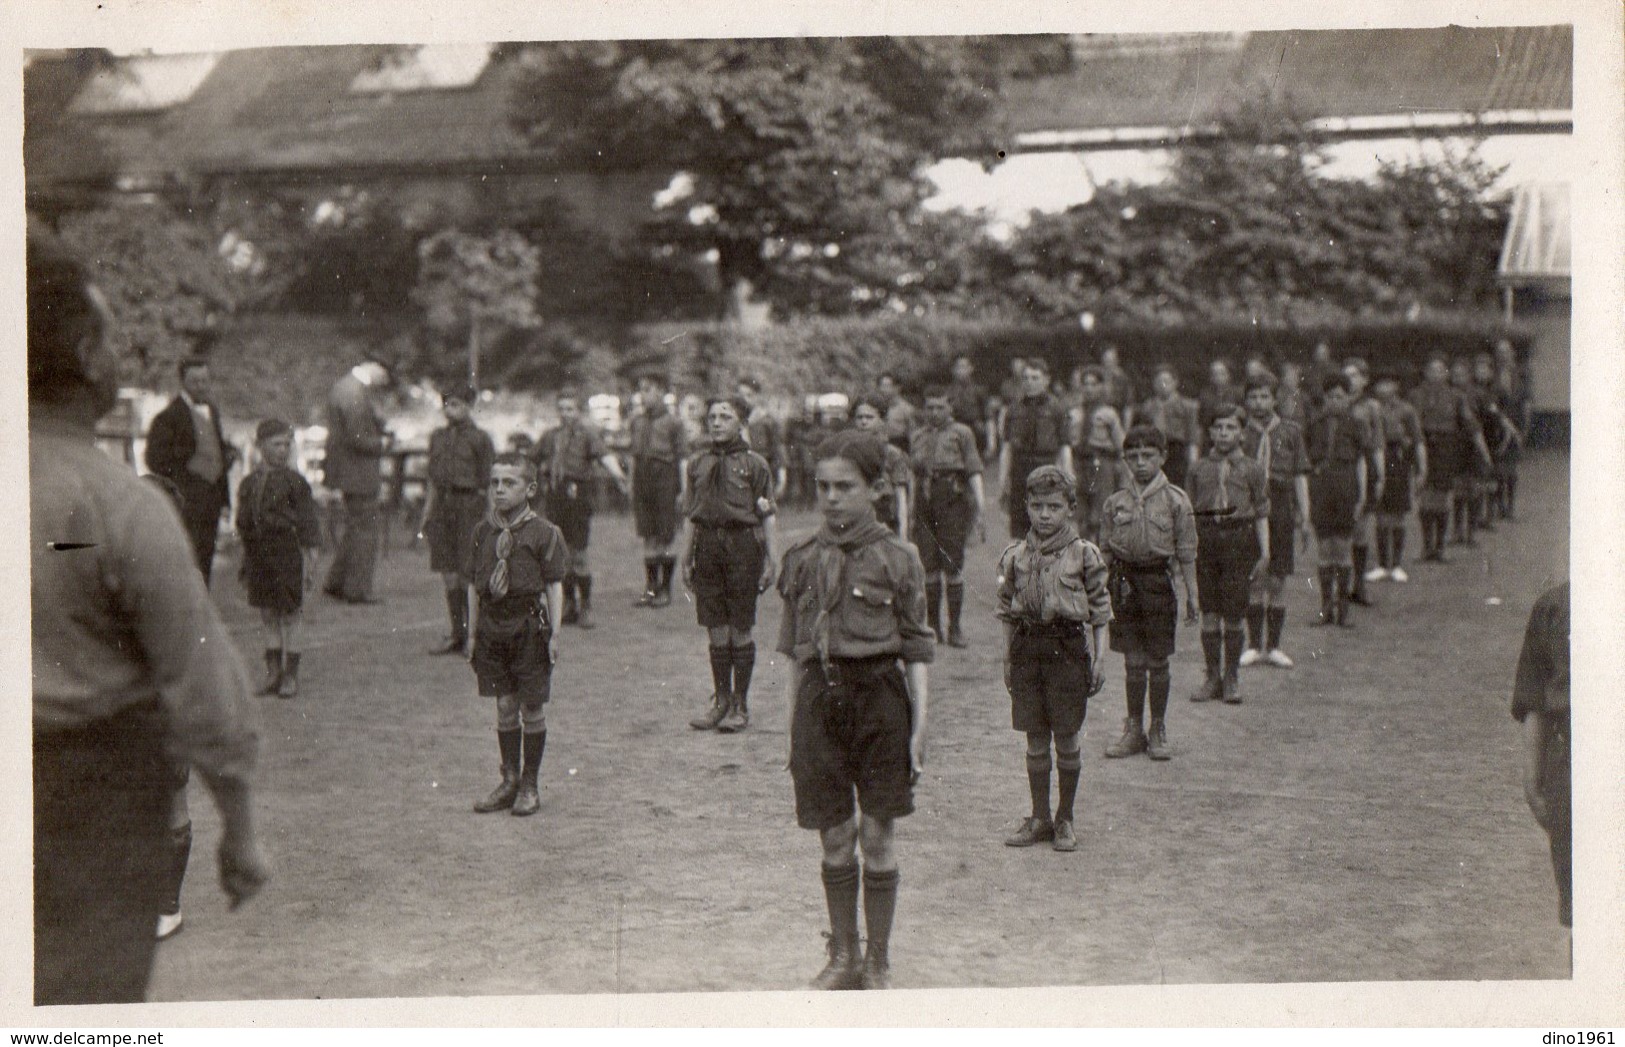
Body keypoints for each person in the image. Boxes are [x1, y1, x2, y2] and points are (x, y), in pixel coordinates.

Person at [29, 226, 268, 1005]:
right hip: (84, 805)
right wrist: (238, 825)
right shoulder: (117, 503)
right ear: (84, 354)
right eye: (108, 337)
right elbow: (203, 682)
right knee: (80, 1009)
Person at [777, 430, 933, 990]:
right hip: (820, 700)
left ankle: (879, 960)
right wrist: (791, 728)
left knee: (878, 833)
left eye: (846, 486)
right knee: (834, 834)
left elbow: (916, 650)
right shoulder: (800, 558)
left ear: (877, 489)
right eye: (823, 486)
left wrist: (919, 728)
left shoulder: (899, 558)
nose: (831, 498)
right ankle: (843, 954)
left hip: (880, 701)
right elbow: (794, 653)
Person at [996, 464, 1110, 849]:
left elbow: (1100, 611)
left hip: (1067, 650)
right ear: (1026, 506)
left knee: (1066, 736)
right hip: (1028, 650)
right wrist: (1008, 657)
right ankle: (1040, 816)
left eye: (1054, 507)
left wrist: (1100, 658)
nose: (1045, 515)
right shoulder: (1015, 555)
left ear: (1070, 509)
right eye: (1037, 506)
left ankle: (1065, 818)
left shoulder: (1084, 554)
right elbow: (1006, 609)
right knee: (1034, 736)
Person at [468, 454, 570, 817]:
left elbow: (555, 585)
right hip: (493, 627)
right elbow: (473, 586)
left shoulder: (544, 533)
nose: (499, 490)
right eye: (494, 482)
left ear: (529, 489)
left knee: (531, 705)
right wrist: (472, 633)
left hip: (528, 626)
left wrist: (555, 633)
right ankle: (509, 779)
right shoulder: (483, 532)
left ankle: (529, 783)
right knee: (505, 705)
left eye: (508, 483)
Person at [1099, 427, 1199, 760]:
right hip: (1124, 584)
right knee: (1132, 660)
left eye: (1148, 456)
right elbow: (1105, 551)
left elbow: (1186, 551)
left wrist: (1193, 596)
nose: (1141, 463)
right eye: (1134, 457)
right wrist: (1096, 590)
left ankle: (1157, 728)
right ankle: (1133, 730)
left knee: (1157, 659)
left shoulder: (1176, 500)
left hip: (1158, 583)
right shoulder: (1116, 502)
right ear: (1125, 460)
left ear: (1162, 457)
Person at [682, 397, 780, 733]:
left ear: (741, 423)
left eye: (726, 416)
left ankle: (740, 702)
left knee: (740, 626)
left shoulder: (755, 465)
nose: (717, 422)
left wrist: (772, 558)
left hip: (742, 547)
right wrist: (685, 557)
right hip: (708, 546)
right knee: (715, 627)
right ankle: (720, 699)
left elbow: (767, 515)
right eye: (712, 417)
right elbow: (692, 515)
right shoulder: (697, 463)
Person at [1186, 405, 1270, 704]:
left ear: (1241, 433)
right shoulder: (1198, 468)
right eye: (1219, 428)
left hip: (1238, 540)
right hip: (1207, 540)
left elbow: (1260, 511)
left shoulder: (1252, 468)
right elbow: (1190, 512)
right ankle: (1212, 676)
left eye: (1230, 428)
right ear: (1209, 432)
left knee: (1234, 611)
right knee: (1209, 612)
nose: (1224, 433)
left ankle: (1232, 676)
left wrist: (1265, 551)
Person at [236, 419, 323, 698]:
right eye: (276, 444)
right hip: (259, 554)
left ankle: (290, 675)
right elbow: (243, 523)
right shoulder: (249, 483)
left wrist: (310, 561)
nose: (282, 450)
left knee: (290, 614)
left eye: (287, 444)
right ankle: (272, 673)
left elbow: (309, 526)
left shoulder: (296, 483)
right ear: (261, 446)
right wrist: (245, 559)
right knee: (268, 615)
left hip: (286, 552)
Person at [531, 389, 630, 629]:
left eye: (570, 409)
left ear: (579, 411)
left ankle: (586, 606)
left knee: (579, 553)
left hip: (577, 496)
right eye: (562, 409)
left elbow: (604, 456)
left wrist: (619, 477)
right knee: (560, 552)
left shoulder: (587, 435)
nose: (566, 414)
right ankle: (569, 605)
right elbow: (533, 459)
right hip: (555, 495)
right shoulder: (550, 436)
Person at [1239, 372, 1312, 668]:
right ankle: (1255, 645)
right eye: (1253, 397)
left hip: (1279, 503)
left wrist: (1305, 515)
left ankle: (1274, 646)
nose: (1259, 403)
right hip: (1248, 505)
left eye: (1264, 396)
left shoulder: (1291, 431)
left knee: (1278, 576)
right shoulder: (1240, 432)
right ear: (1246, 401)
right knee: (1254, 575)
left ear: (1274, 399)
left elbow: (1299, 476)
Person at [143, 355, 237, 583]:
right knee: (187, 558)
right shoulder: (169, 416)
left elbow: (215, 451)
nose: (202, 386)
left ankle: (202, 609)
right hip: (187, 499)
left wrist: (224, 496)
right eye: (196, 381)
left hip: (211, 499)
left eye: (205, 380)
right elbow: (154, 459)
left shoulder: (212, 411)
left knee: (206, 557)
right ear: (183, 382)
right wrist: (185, 469)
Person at [1511, 581, 1571, 929]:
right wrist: (1532, 780)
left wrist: (1533, 781)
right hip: (1573, 768)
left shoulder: (1555, 604)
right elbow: (1535, 704)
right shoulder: (1555, 606)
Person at [909, 386, 987, 648]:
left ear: (950, 408)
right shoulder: (918, 435)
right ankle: (933, 627)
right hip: (924, 500)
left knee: (952, 564)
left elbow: (974, 470)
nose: (934, 412)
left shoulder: (961, 433)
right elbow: (912, 475)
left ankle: (955, 628)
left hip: (952, 498)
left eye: (939, 407)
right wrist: (910, 508)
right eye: (929, 407)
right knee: (928, 565)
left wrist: (980, 508)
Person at [421, 386, 495, 653]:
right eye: (447, 404)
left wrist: (492, 517)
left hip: (469, 506)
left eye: (457, 404)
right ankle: (457, 632)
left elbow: (488, 483)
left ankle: (474, 636)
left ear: (469, 407)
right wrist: (426, 513)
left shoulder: (480, 439)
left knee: (468, 572)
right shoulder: (437, 438)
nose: (451, 410)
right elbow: (431, 479)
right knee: (448, 572)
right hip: (443, 506)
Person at [321, 358, 394, 604]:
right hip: (358, 471)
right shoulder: (354, 393)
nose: (382, 383)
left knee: (356, 526)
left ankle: (337, 581)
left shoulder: (347, 387)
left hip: (348, 470)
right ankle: (357, 589)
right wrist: (382, 444)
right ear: (374, 367)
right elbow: (358, 437)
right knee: (366, 529)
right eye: (382, 376)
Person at [1409, 355, 1490, 563]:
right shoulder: (1416, 395)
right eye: (1432, 370)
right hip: (1425, 445)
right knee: (1426, 497)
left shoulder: (1456, 397)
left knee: (1443, 497)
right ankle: (1427, 547)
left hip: (1447, 448)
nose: (1436, 374)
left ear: (1446, 374)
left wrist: (1483, 451)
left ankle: (1440, 548)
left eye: (1440, 370)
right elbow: (1410, 424)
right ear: (1425, 373)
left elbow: (1471, 426)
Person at [1306, 374, 1370, 627]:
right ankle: (1325, 608)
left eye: (1340, 396)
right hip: (1321, 490)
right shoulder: (1314, 425)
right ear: (1324, 398)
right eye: (1330, 396)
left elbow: (1362, 462)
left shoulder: (1356, 425)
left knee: (1343, 549)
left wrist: (1362, 494)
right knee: (1324, 550)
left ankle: (1343, 610)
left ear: (1348, 398)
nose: (1335, 401)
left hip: (1346, 490)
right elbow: (1307, 462)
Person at [629, 374, 689, 608]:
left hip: (665, 479)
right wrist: (630, 484)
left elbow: (682, 459)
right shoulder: (636, 421)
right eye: (641, 390)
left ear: (661, 391)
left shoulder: (674, 423)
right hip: (643, 480)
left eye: (648, 390)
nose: (643, 395)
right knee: (648, 534)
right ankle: (651, 588)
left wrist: (683, 490)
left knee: (665, 534)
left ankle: (665, 589)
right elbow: (633, 456)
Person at [999, 358, 1073, 538]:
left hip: (1046, 469)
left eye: (1035, 378)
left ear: (1046, 380)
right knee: (1019, 526)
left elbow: (1064, 446)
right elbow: (1007, 447)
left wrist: (1068, 478)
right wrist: (1003, 480)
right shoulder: (1014, 409)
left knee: (1046, 525)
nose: (1030, 383)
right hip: (1020, 470)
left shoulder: (1057, 408)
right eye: (1026, 378)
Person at [1371, 373, 1426, 583]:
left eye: (1387, 383)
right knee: (1380, 514)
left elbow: (1418, 439)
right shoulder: (1373, 408)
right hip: (1378, 459)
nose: (1383, 387)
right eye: (1380, 383)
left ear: (1395, 385)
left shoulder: (1407, 410)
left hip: (1399, 460)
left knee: (1398, 514)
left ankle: (1396, 564)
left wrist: (1422, 468)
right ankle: (1382, 564)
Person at [1342, 359, 1386, 607]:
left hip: (1365, 466)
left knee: (1361, 530)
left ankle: (1359, 584)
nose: (1351, 380)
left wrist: (1380, 475)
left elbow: (1378, 442)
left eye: (1355, 375)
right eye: (1346, 375)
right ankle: (1339, 589)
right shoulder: (1336, 402)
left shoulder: (1371, 407)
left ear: (1365, 379)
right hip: (1342, 467)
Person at [1069, 365, 1127, 543]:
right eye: (1085, 384)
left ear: (1101, 387)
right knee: (1081, 515)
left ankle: (1103, 558)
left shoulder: (1109, 414)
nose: (1089, 389)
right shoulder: (1074, 413)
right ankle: (1085, 557)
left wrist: (1124, 476)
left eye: (1093, 384)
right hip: (1079, 464)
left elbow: (1122, 446)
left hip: (1101, 464)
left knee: (1100, 515)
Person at [850, 393, 912, 538]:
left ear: (882, 420)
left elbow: (901, 496)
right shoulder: (849, 452)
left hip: (884, 517)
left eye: (869, 417)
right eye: (859, 417)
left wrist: (903, 533)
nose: (864, 422)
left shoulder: (892, 454)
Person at [1133, 364, 1201, 489]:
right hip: (1154, 453)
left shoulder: (1187, 406)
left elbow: (1192, 436)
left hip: (1177, 453)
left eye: (1166, 381)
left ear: (1175, 382)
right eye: (1158, 381)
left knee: (1177, 488)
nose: (1162, 385)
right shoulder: (1148, 407)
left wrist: (1193, 461)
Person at [738, 376, 789, 500]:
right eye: (741, 395)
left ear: (757, 396)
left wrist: (782, 478)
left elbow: (778, 449)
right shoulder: (736, 420)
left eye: (748, 395)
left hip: (761, 474)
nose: (744, 399)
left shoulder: (767, 421)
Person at [944, 354, 991, 456]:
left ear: (971, 368)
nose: (961, 370)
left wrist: (991, 443)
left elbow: (988, 417)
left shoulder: (979, 390)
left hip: (975, 433)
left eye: (964, 367)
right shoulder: (948, 392)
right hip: (955, 432)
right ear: (953, 370)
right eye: (958, 367)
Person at [1196, 358, 1242, 433]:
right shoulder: (1205, 395)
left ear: (1229, 375)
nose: (1217, 377)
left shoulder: (1238, 393)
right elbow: (1201, 420)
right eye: (1214, 373)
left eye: (1221, 373)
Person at [875, 372, 915, 452]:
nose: (883, 390)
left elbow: (912, 434)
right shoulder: (876, 407)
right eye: (881, 386)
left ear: (897, 388)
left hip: (899, 447)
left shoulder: (906, 409)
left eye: (887, 386)